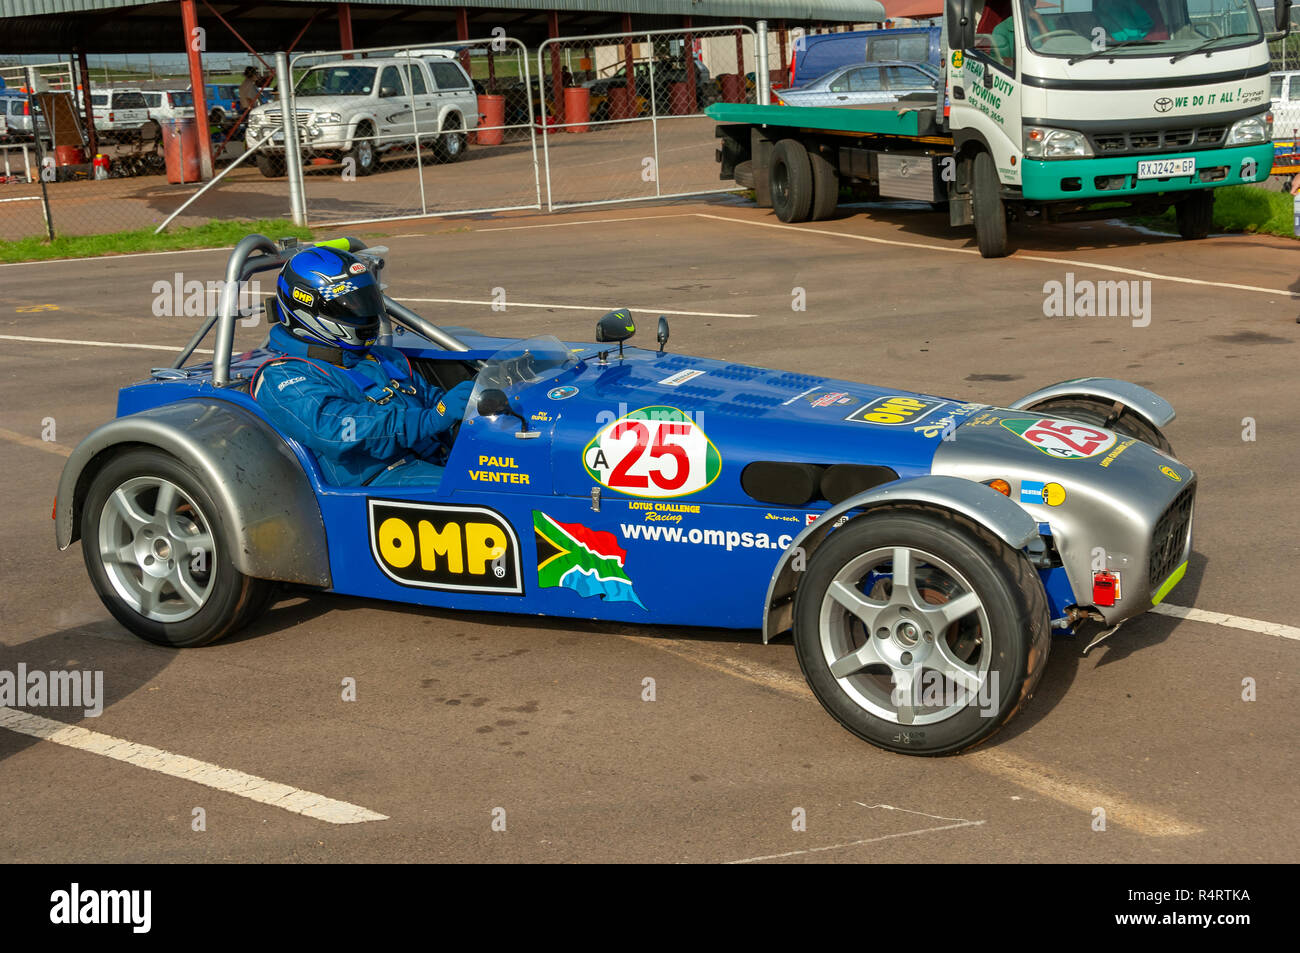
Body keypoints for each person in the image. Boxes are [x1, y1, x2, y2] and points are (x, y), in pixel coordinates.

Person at [252, 246, 474, 487]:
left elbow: (435, 403)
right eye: (351, 304)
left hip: (431, 460)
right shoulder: (285, 377)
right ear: (309, 308)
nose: (364, 312)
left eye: (366, 300)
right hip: (375, 483)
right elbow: (338, 431)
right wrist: (430, 420)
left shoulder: (383, 357)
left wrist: (471, 411)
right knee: (493, 494)